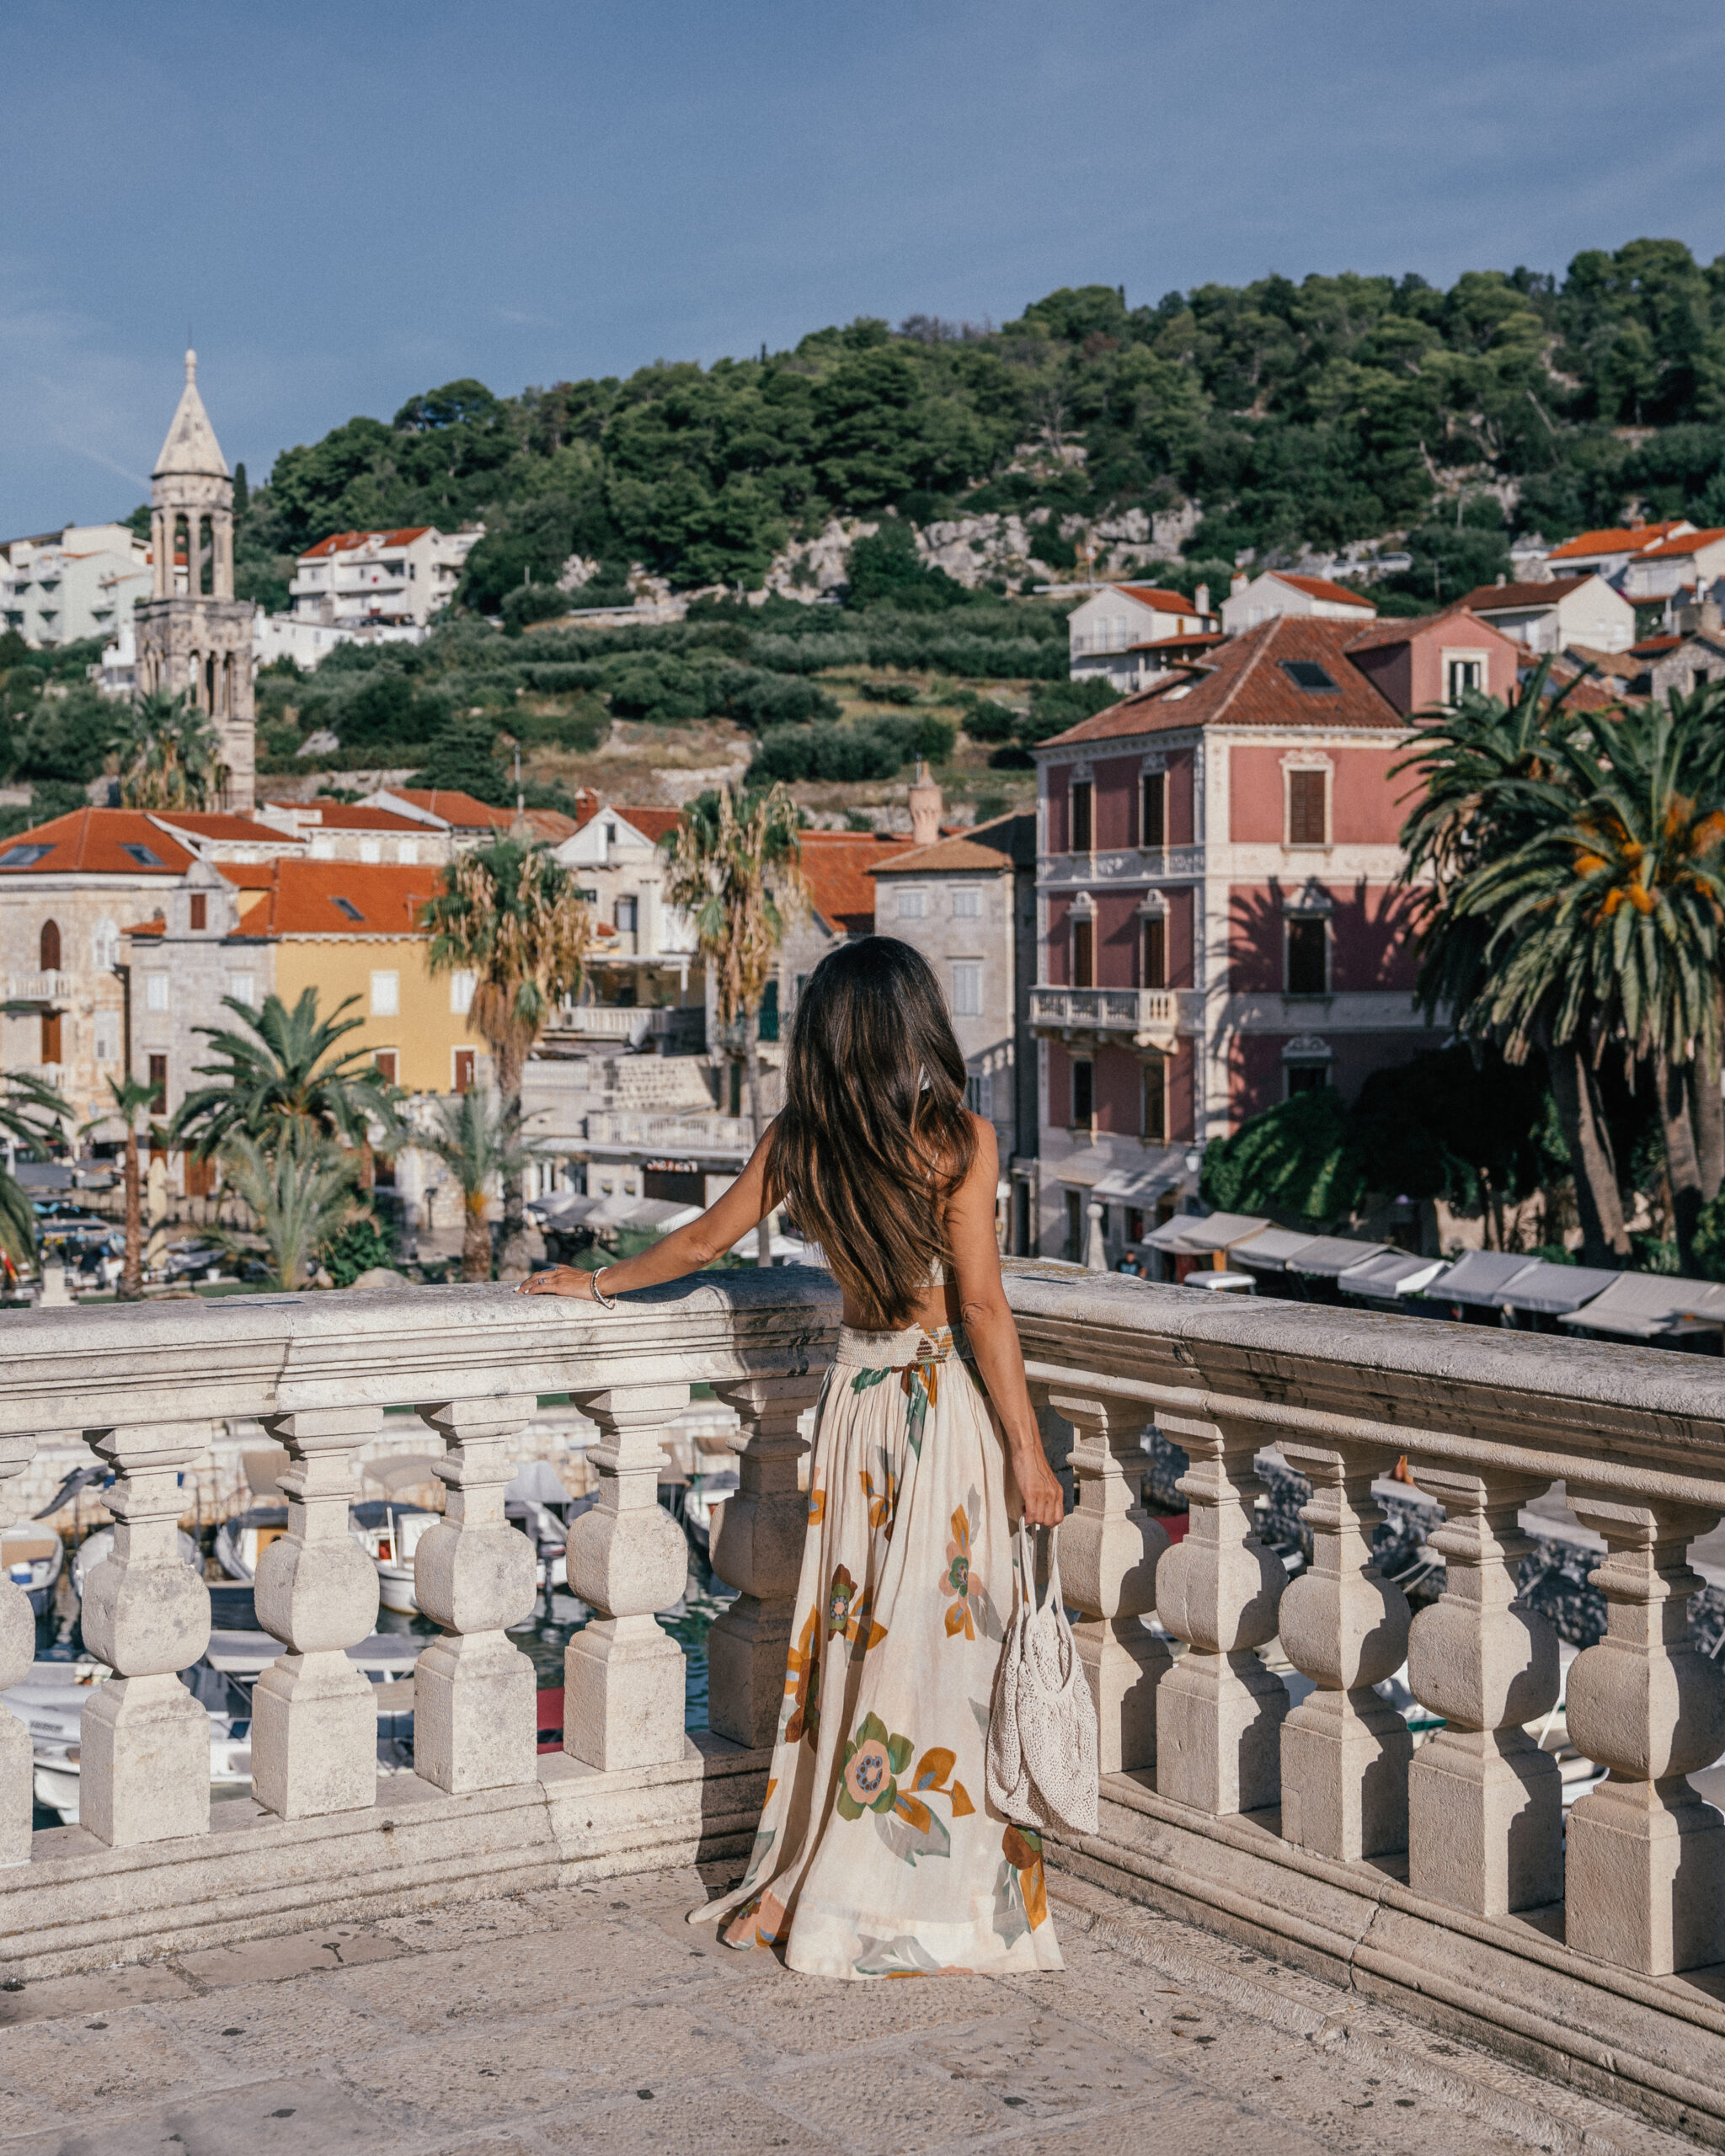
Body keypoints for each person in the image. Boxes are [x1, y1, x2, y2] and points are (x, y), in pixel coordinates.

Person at [521, 936, 1065, 1980]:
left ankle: (795, 1875)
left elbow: (695, 1246)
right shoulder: (956, 1141)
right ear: (914, 1023)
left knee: (847, 1640)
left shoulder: (802, 1140)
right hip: (937, 1407)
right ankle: (896, 1880)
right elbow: (984, 1306)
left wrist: (593, 1285)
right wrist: (1027, 1454)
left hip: (855, 1404)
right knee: (934, 1650)